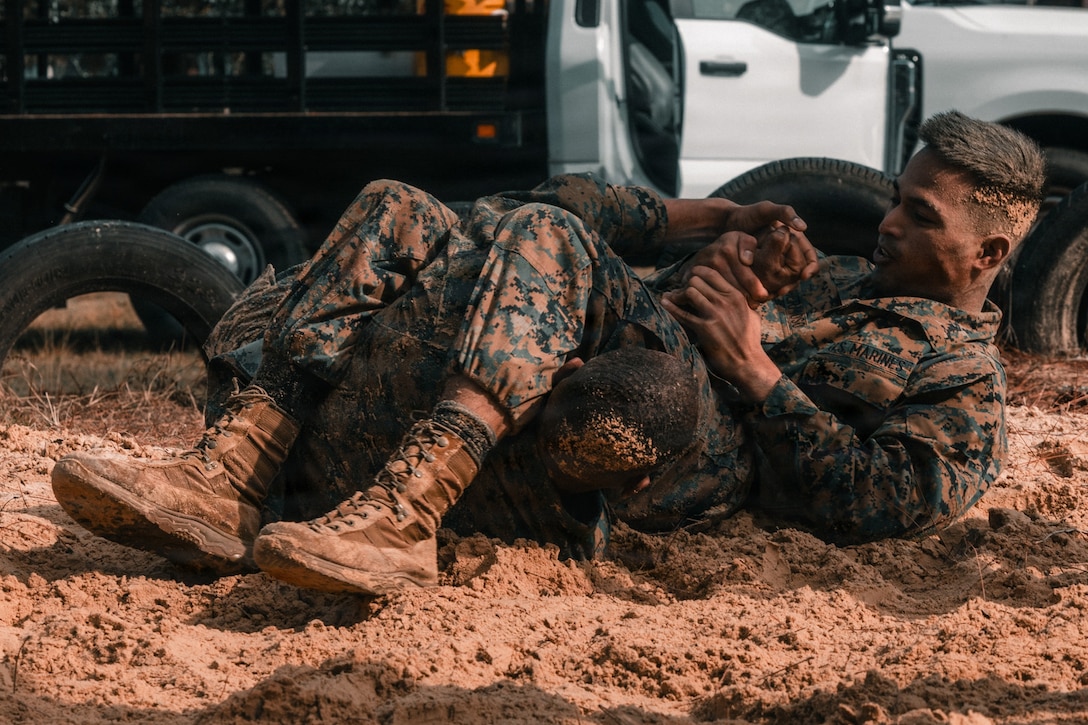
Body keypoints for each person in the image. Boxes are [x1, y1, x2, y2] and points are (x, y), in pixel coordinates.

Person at [51, 110, 1045, 596]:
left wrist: (757, 369)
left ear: (988, 252)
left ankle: (406, 512)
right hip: (607, 345)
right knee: (401, 205)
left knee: (551, 242)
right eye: (897, 197)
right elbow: (549, 211)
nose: (887, 223)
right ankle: (234, 470)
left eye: (918, 215)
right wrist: (722, 234)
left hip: (688, 447)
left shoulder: (962, 381)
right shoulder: (830, 276)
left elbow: (885, 504)